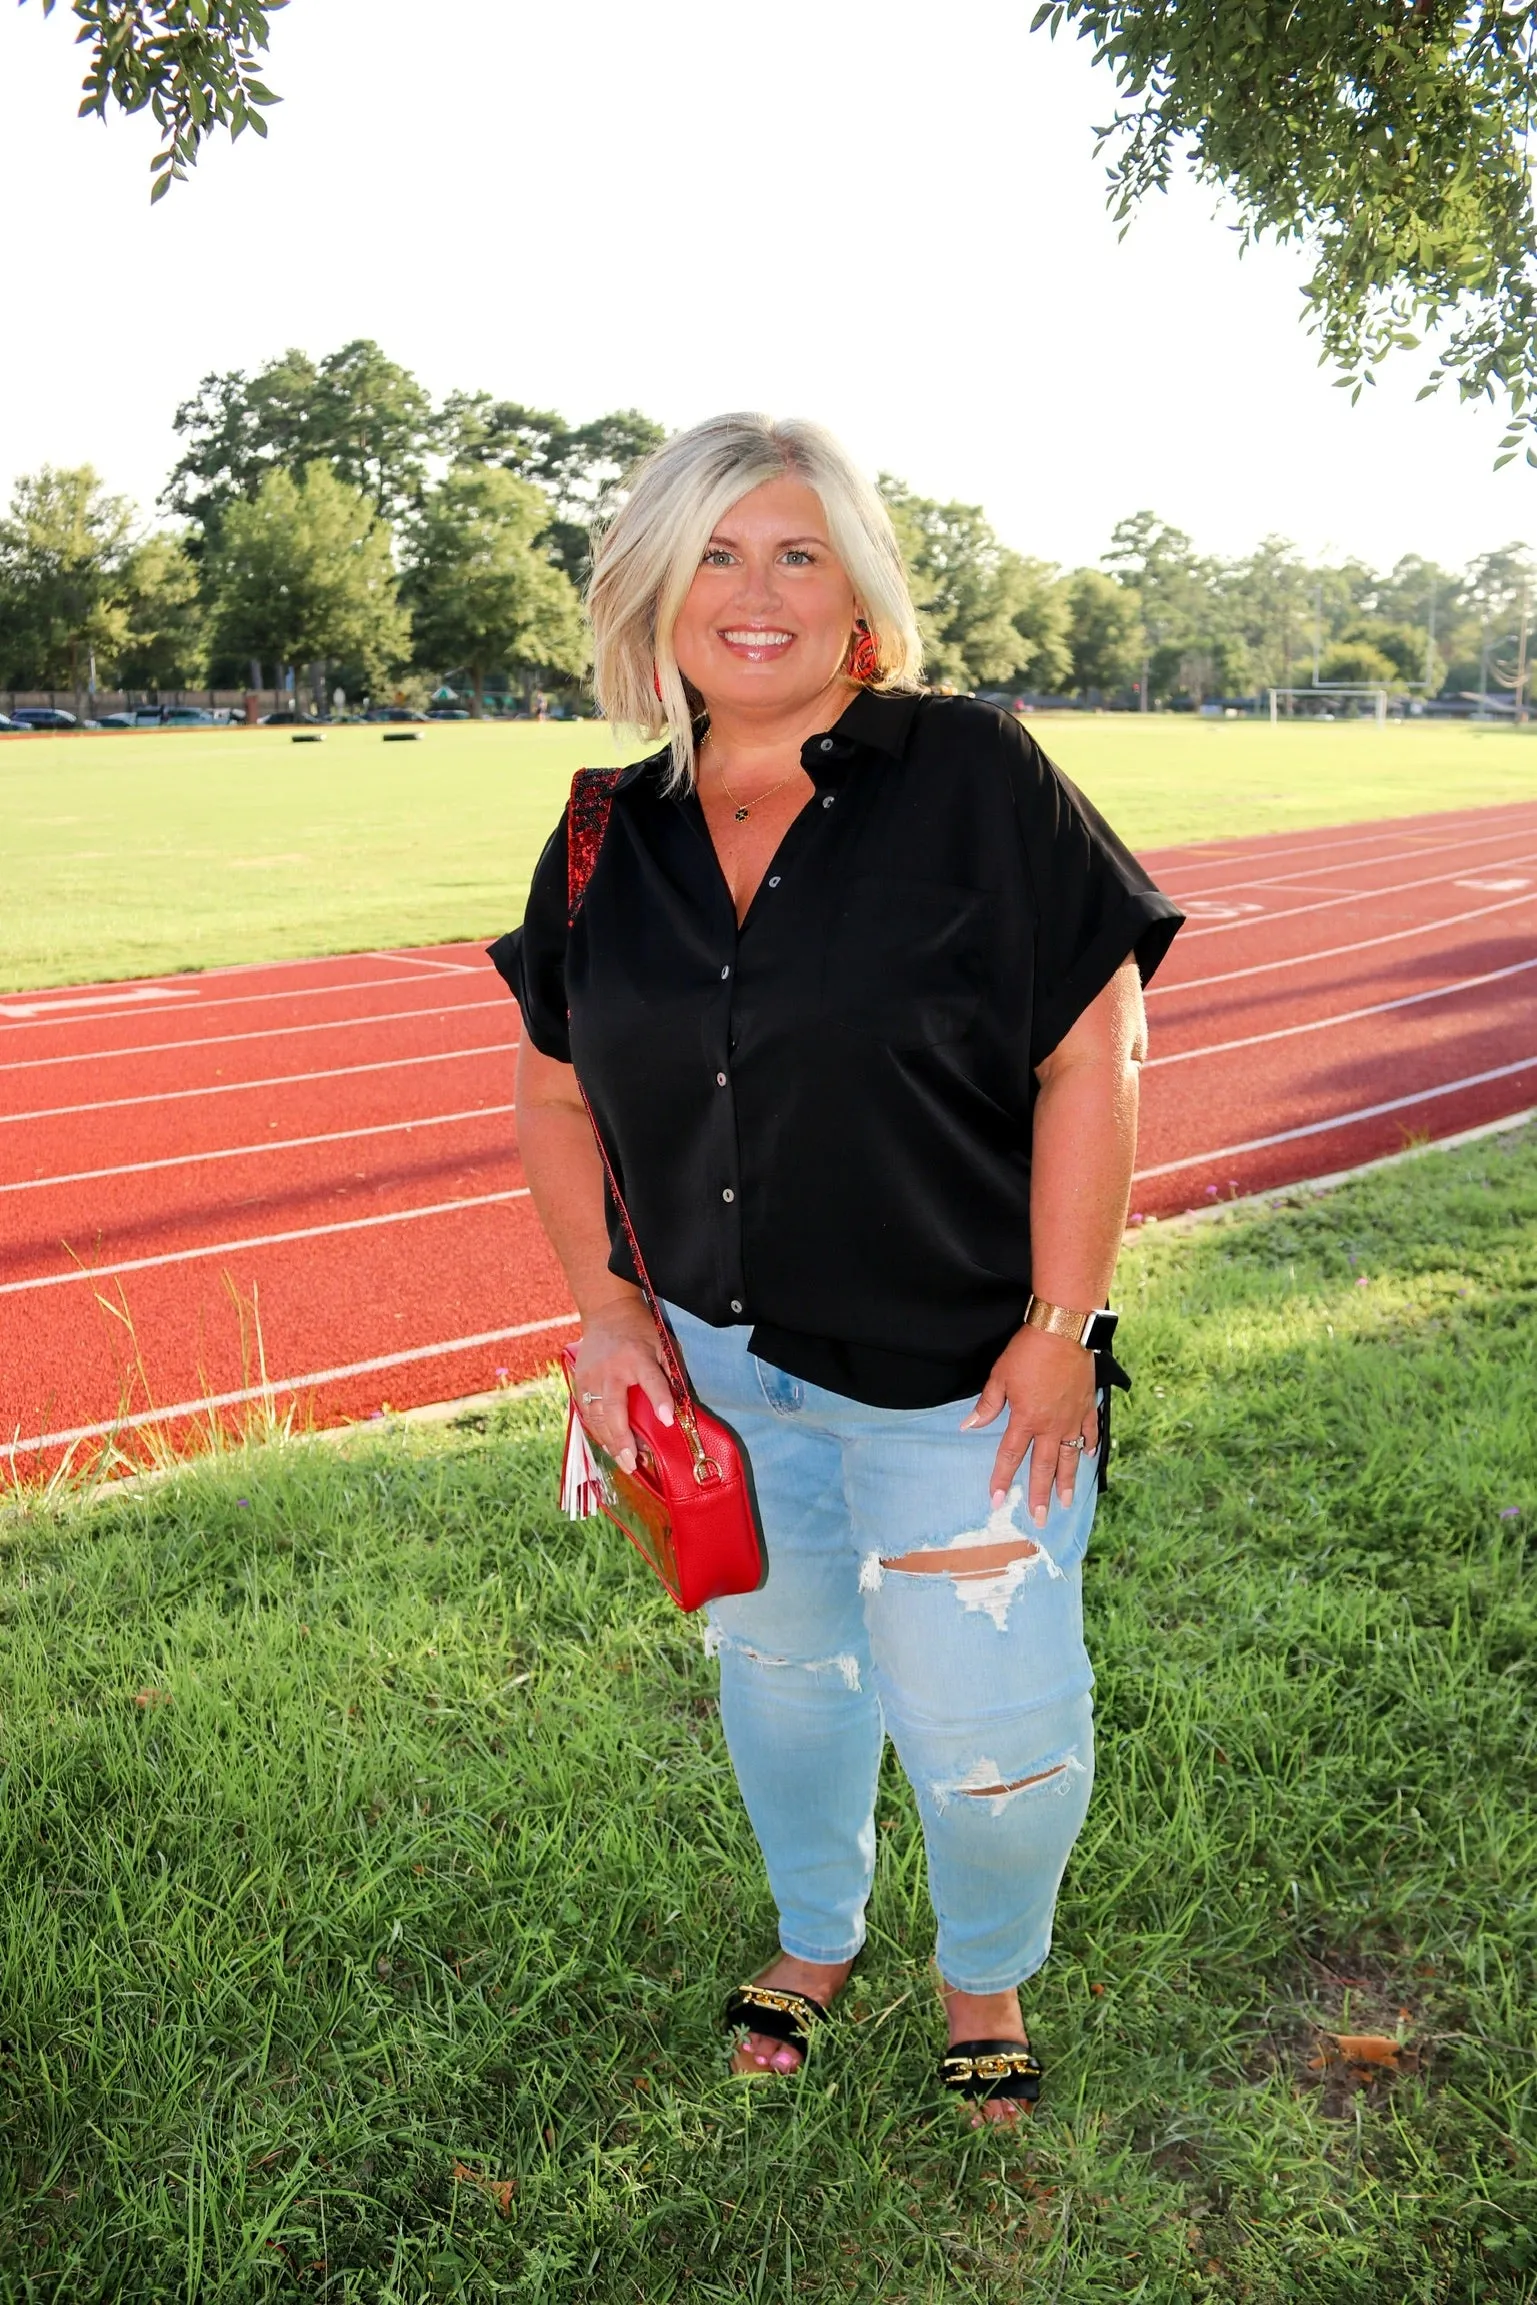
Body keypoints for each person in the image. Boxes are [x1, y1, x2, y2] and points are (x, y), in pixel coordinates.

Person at [492, 413, 1183, 2125]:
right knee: (787, 1682)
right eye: (714, 554)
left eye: (797, 551)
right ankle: (815, 1934)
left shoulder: (972, 774)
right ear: (653, 596)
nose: (755, 591)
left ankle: (985, 1973)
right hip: (721, 1378)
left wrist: (1059, 1327)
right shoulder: (603, 834)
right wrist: (603, 1312)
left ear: (856, 590)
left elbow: (1093, 1055)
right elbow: (557, 1085)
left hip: (963, 1375)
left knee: (994, 1737)